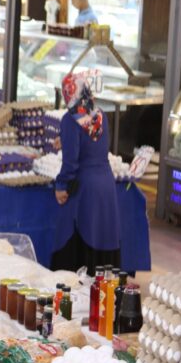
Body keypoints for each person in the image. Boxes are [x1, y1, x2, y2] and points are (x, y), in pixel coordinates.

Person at [50, 73, 120, 272]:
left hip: (85, 189)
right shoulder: (100, 115)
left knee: (82, 240)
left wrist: (61, 186)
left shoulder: (70, 120)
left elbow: (71, 163)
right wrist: (66, 139)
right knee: (102, 237)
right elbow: (91, 142)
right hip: (105, 185)